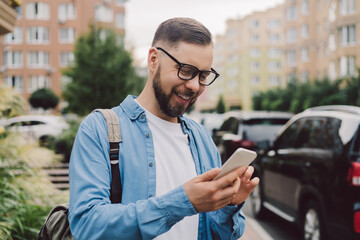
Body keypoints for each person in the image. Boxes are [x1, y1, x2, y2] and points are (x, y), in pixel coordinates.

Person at [68, 17, 259, 240]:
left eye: (203, 75)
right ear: (153, 60)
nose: (195, 86)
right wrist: (182, 203)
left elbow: (219, 234)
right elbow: (86, 226)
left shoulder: (201, 137)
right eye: (186, 70)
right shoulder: (99, 129)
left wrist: (229, 203)